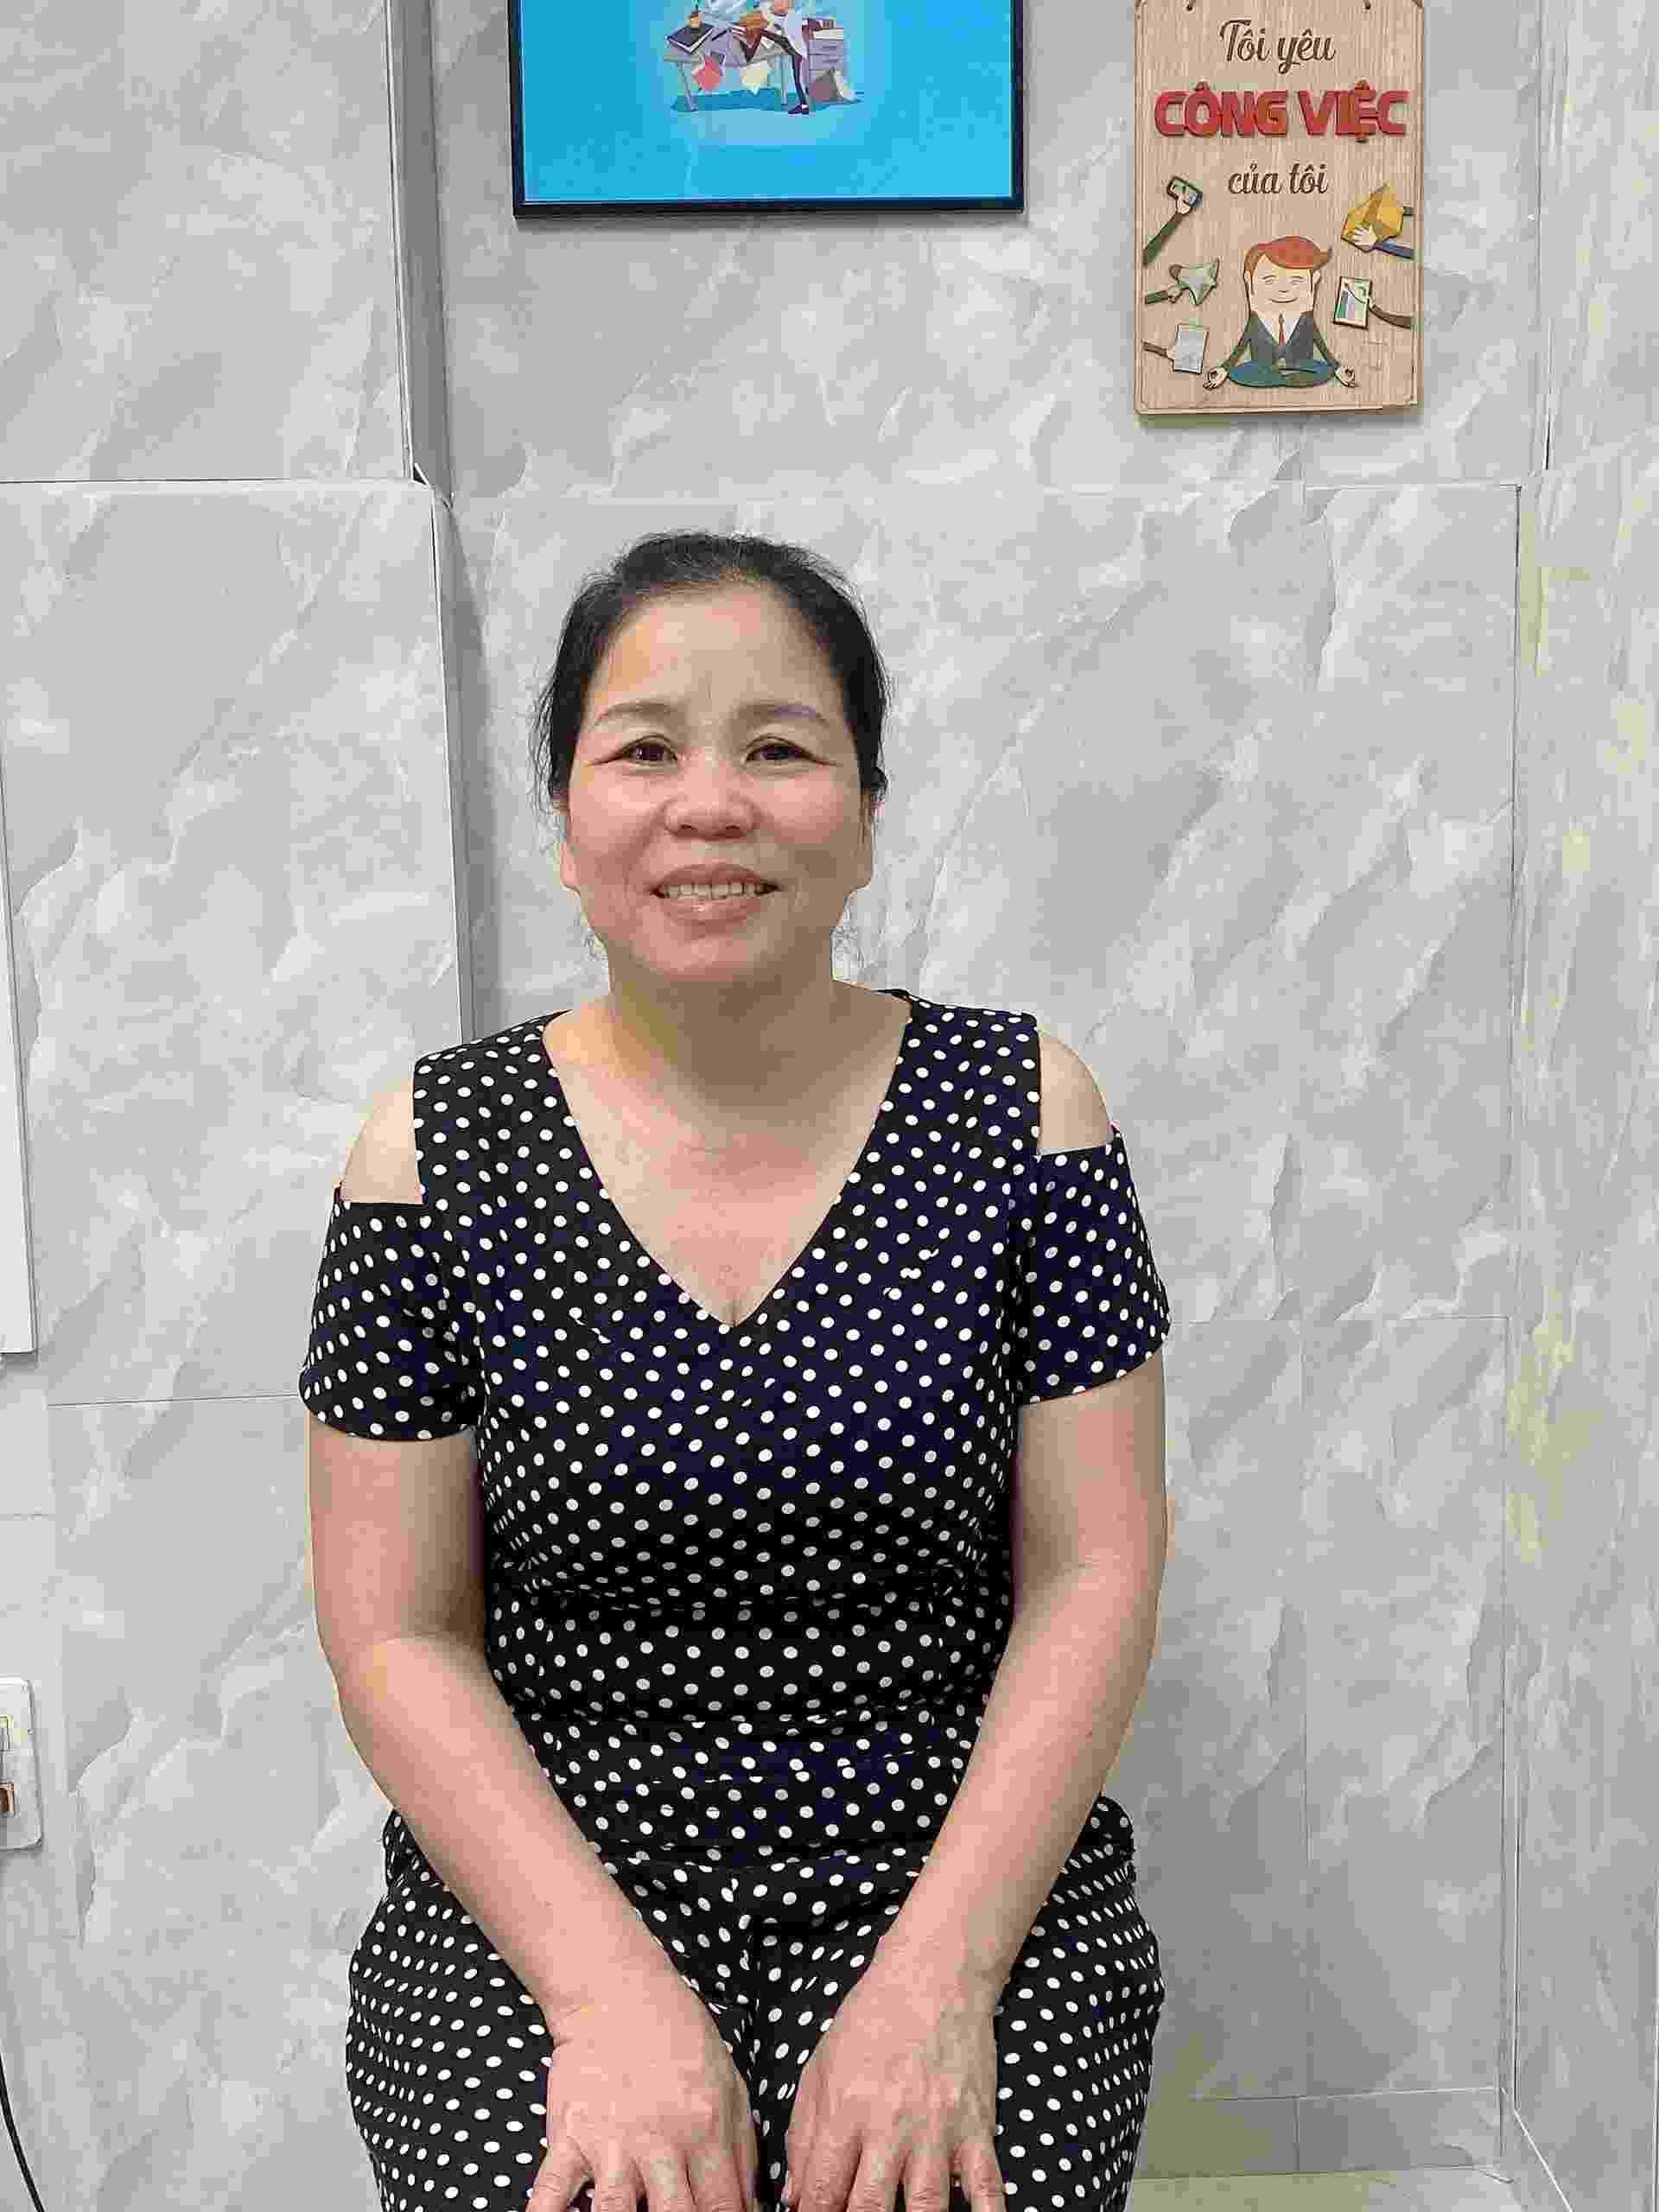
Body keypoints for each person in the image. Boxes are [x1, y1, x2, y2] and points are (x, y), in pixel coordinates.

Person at [301, 531, 1172, 2212]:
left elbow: (1097, 1570)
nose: (711, 804)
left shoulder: (1025, 1113)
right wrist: (602, 1998)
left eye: (778, 747)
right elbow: (394, 1631)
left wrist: (937, 1987)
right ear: (566, 825)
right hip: (553, 1876)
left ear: (866, 813)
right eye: (644, 750)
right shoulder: (430, 1152)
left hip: (954, 1860)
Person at [1203, 234, 1359, 392]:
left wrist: (1338, 368)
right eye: (1269, 280)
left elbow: (1321, 346)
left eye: (1296, 281)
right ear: (1250, 284)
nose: (1284, 289)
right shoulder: (1256, 321)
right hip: (1263, 370)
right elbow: (1240, 347)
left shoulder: (1306, 320)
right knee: (1243, 373)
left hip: (1301, 369)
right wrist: (1224, 369)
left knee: (1321, 371)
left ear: (1313, 284)